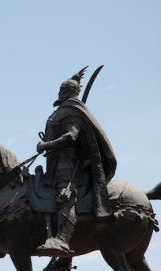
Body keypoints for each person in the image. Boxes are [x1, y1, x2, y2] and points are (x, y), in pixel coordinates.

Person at [35, 67, 117, 259]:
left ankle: (62, 240)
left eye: (62, 89)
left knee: (66, 197)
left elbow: (71, 137)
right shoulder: (64, 110)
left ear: (65, 92)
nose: (59, 92)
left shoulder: (70, 111)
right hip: (54, 164)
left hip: (67, 164)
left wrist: (46, 144)